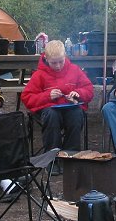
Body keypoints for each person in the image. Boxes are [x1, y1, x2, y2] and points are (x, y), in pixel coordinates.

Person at [20, 40, 94, 172]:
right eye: (54, 63)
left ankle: (70, 156)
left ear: (65, 56)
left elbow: (89, 90)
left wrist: (77, 94)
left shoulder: (75, 70)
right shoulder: (39, 75)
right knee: (52, 115)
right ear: (46, 59)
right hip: (48, 111)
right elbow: (27, 98)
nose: (58, 66)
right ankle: (52, 159)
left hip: (69, 109)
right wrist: (47, 96)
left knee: (76, 114)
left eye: (61, 61)